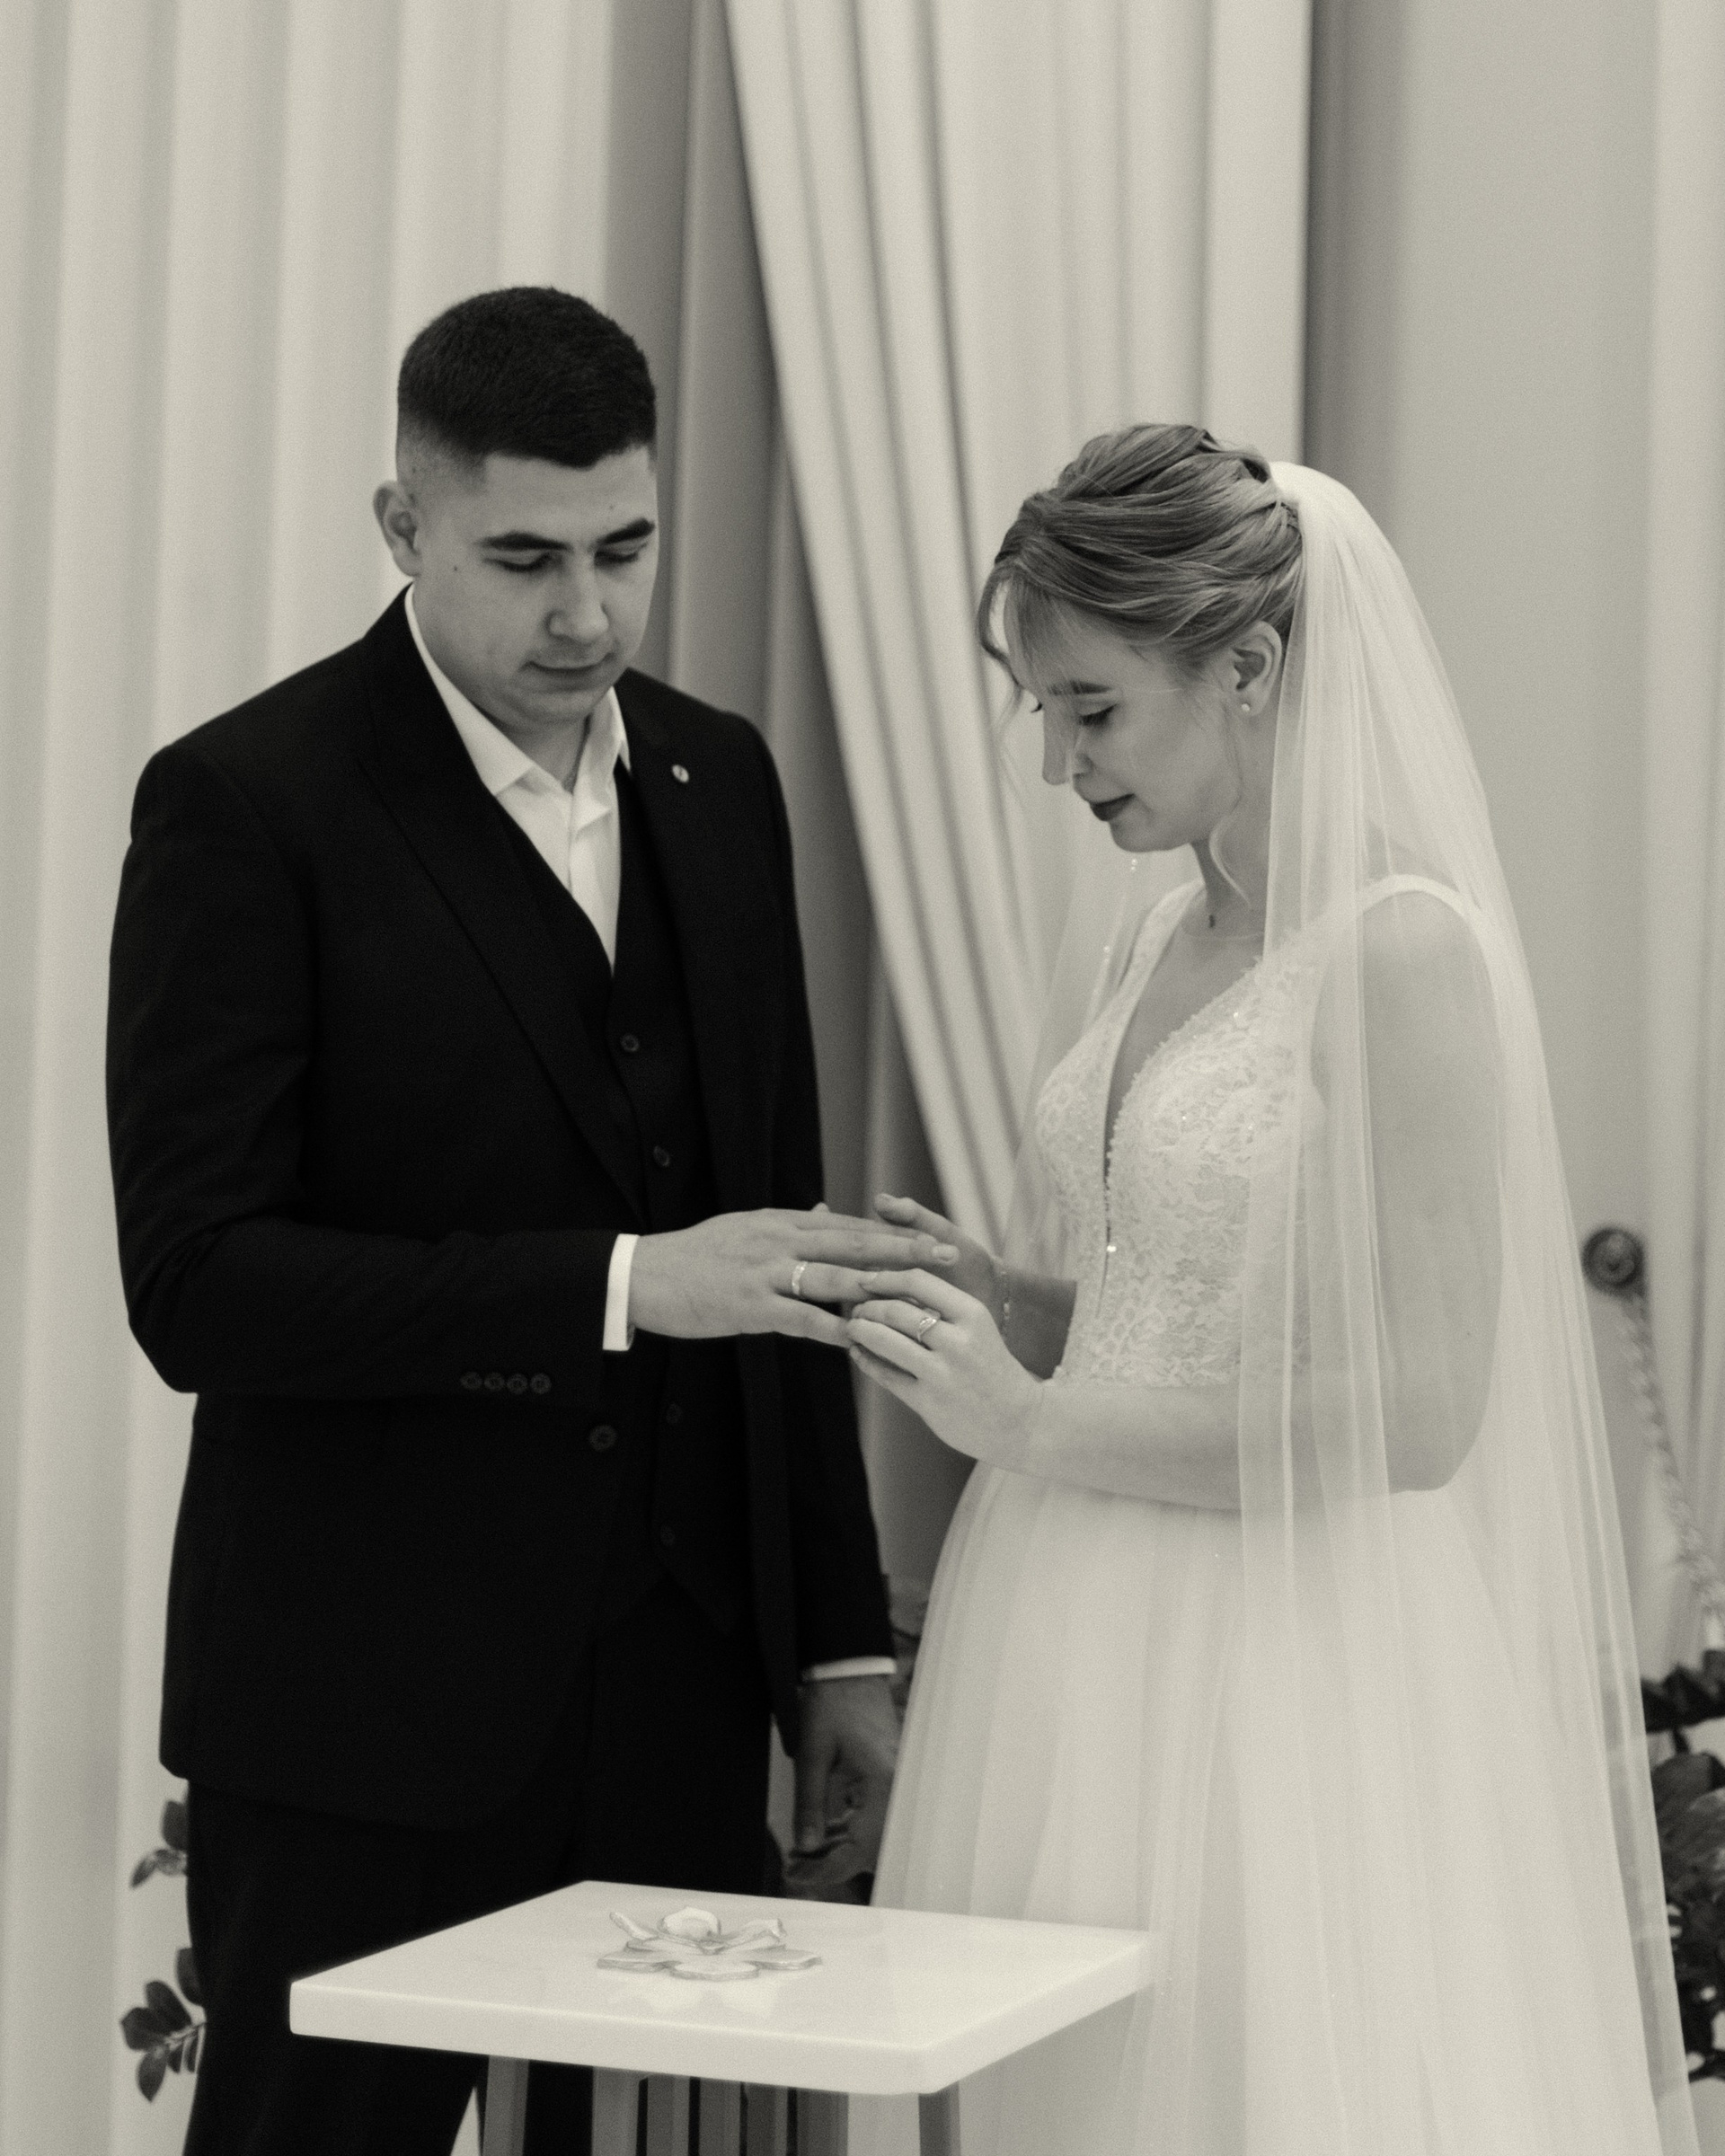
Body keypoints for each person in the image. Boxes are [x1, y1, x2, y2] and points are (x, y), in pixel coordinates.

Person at [105, 286, 949, 2155]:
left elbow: (786, 1251)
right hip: (355, 1726)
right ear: (402, 527)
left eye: (625, 550)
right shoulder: (247, 805)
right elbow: (199, 1285)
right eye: (525, 559)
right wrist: (626, 1285)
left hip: (676, 1710)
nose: (587, 615)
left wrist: (838, 1651)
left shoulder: (723, 778)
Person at [845, 427, 1697, 2154]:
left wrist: (1029, 1422)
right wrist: (1002, 1299)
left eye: (1092, 709)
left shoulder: (1402, 950)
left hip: (1285, 1660)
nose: (1057, 763)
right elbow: (1173, 1305)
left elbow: (1422, 1412)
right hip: (1063, 1622)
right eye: (1042, 711)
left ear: (1245, 666)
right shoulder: (1155, 933)